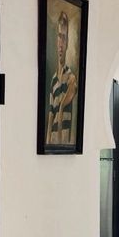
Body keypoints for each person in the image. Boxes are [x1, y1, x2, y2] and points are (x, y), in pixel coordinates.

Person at [46, 11, 78, 145]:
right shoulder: (53, 80)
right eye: (59, 37)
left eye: (64, 38)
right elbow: (51, 115)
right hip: (53, 142)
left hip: (63, 141)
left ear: (67, 42)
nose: (60, 43)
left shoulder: (70, 77)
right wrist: (47, 142)